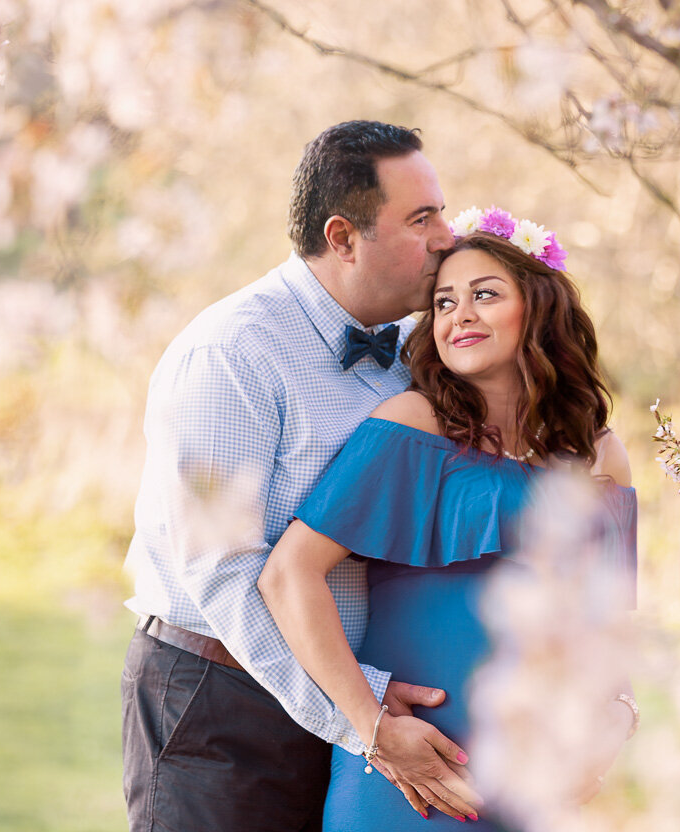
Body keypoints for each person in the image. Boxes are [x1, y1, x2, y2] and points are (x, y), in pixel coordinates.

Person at [121, 120, 478, 832]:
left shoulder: (423, 347)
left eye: (441, 210)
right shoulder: (228, 357)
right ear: (343, 237)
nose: (448, 237)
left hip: (363, 698)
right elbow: (223, 571)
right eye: (421, 219)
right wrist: (365, 723)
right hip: (222, 707)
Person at [259, 209, 639, 831]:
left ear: (539, 308)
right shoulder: (412, 424)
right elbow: (288, 575)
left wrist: (616, 721)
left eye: (484, 295)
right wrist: (373, 727)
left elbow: (609, 630)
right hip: (414, 778)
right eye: (442, 302)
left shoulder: (601, 454)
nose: (458, 314)